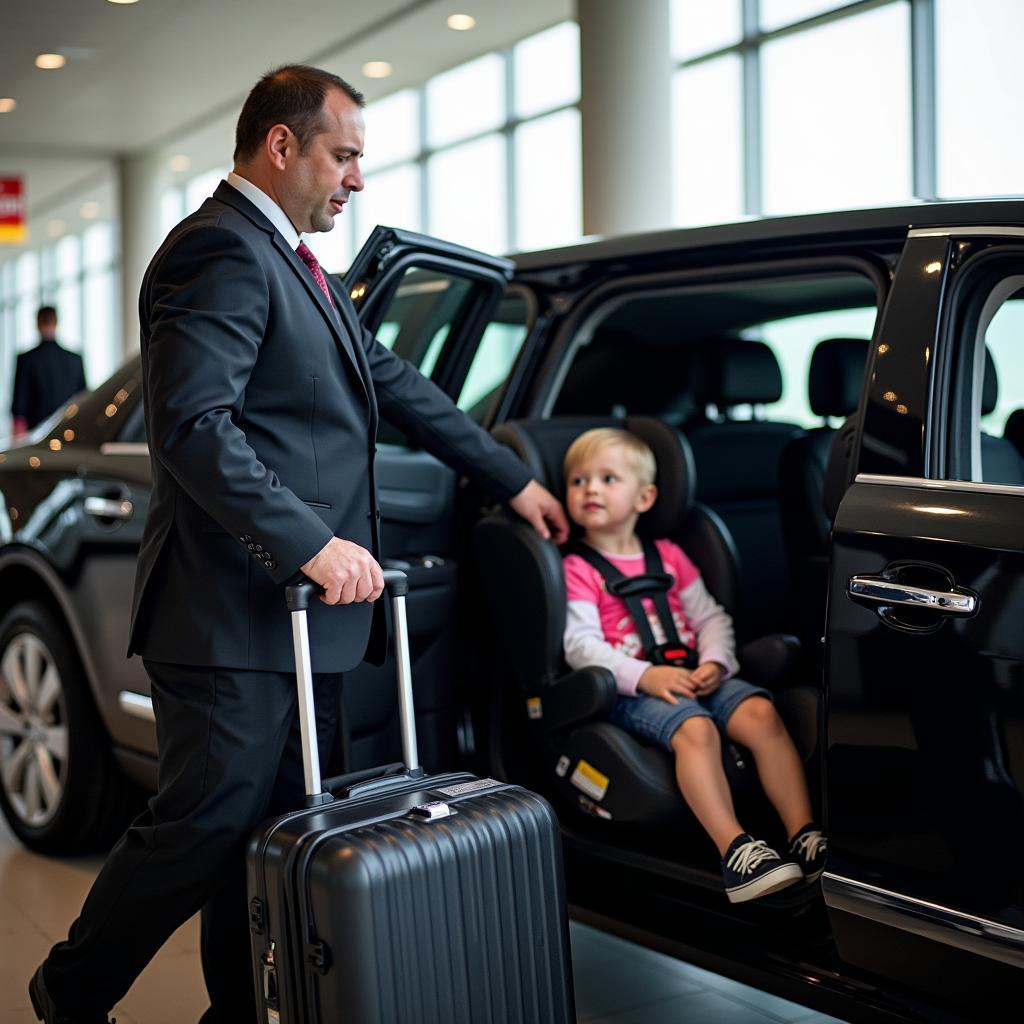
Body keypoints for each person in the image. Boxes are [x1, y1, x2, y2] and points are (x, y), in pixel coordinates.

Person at [28, 64, 568, 1024]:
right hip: (233, 613)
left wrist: (513, 477)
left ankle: (240, 1012)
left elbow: (392, 381)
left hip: (299, 622)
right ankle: (68, 993)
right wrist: (313, 544)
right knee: (204, 827)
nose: (356, 179)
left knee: (273, 836)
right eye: (344, 155)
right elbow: (195, 428)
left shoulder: (295, 264)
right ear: (283, 146)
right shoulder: (217, 252)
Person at [561, 428, 825, 904]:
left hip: (698, 673)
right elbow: (580, 645)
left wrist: (716, 662)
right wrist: (645, 675)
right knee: (697, 730)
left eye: (607, 478)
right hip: (633, 691)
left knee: (761, 715)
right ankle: (737, 851)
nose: (590, 490)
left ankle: (803, 834)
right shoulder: (577, 568)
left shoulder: (671, 556)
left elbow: (710, 617)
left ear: (645, 497)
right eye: (578, 481)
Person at [10, 306, 86, 437]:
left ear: (37, 323)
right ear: (57, 322)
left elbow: (19, 403)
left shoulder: (26, 359)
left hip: (36, 433)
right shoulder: (75, 359)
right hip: (69, 430)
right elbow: (84, 398)